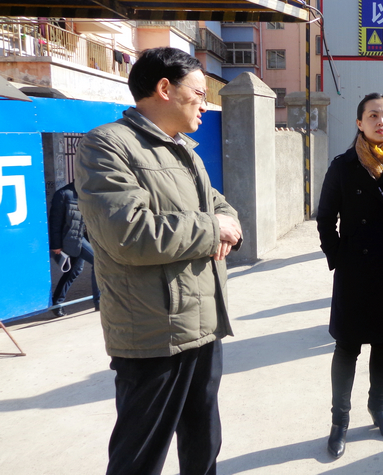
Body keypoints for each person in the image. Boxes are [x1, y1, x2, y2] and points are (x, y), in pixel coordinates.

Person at [75, 47, 243, 475]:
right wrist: (213, 230)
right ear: (165, 88)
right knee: (140, 457)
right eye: (200, 93)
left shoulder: (186, 151)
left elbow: (221, 207)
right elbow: (128, 234)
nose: (205, 104)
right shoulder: (108, 145)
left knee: (204, 445)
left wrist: (225, 225)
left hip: (203, 326)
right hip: (153, 335)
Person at [317, 93, 383, 459]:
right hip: (355, 270)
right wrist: (338, 257)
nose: (382, 121)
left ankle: (378, 408)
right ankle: (340, 421)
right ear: (360, 123)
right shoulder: (343, 166)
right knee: (347, 346)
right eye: (373, 115)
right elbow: (325, 218)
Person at [48, 180, 100, 316]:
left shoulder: (90, 193)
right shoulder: (64, 194)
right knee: (98, 261)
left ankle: (56, 303)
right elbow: (55, 222)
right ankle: (100, 302)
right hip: (72, 238)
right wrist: (56, 245)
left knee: (74, 271)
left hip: (86, 237)